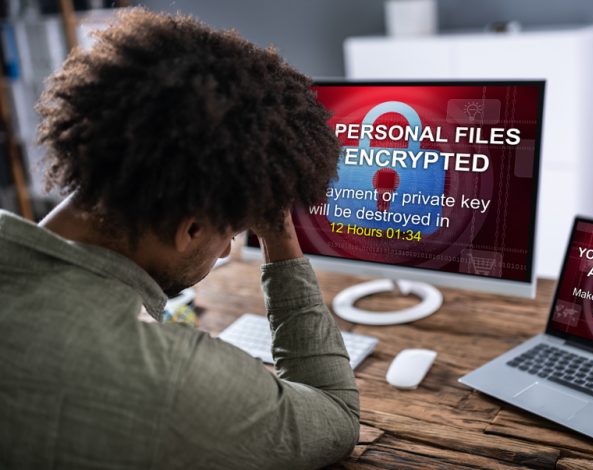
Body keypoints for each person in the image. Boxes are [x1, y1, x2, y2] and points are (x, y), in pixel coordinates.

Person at [0, 8, 358, 469]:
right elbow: (337, 414)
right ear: (190, 228)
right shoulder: (171, 380)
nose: (228, 248)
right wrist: (280, 233)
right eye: (229, 232)